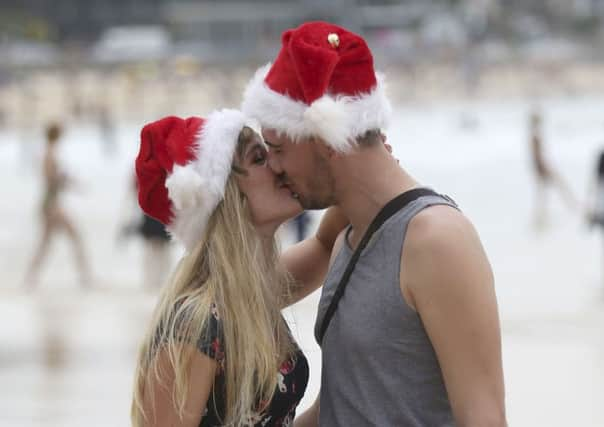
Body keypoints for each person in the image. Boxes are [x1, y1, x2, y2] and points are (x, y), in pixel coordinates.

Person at [242, 21, 506, 426]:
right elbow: (344, 405)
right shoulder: (347, 234)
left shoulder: (435, 240)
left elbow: (483, 419)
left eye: (277, 149)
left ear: (327, 140)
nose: (274, 168)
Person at [131, 110, 347, 426]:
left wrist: (352, 167)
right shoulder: (195, 323)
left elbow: (328, 244)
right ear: (226, 196)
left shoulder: (252, 292)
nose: (278, 166)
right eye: (259, 158)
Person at [25, 121, 91, 289]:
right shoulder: (49, 154)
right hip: (51, 204)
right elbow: (51, 179)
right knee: (74, 236)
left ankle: (31, 277)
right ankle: (85, 276)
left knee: (46, 242)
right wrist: (70, 183)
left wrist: (68, 182)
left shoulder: (49, 152)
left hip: (50, 203)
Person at [529, 109, 577, 229]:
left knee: (543, 190)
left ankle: (542, 213)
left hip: (540, 167)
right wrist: (544, 167)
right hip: (542, 167)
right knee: (559, 184)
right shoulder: (535, 136)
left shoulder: (534, 135)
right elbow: (537, 156)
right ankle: (572, 205)